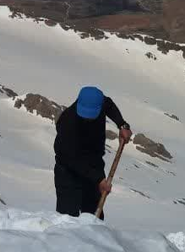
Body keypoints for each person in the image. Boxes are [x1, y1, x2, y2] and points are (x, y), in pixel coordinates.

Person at [54, 86, 132, 219]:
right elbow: (71, 158)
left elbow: (109, 105)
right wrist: (98, 179)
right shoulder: (67, 123)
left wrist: (122, 125)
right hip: (68, 171)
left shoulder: (101, 103)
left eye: (91, 115)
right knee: (67, 219)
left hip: (94, 164)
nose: (88, 119)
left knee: (94, 217)